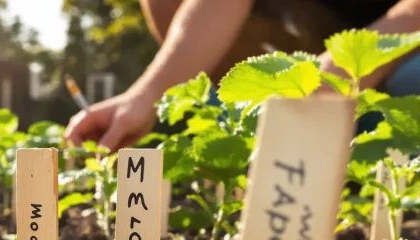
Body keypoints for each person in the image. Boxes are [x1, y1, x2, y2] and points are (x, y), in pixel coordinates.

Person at [64, 0, 420, 152]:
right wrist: (146, 95)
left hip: (404, 41)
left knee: (410, 81)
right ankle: (261, 128)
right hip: (318, 28)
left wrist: (329, 77)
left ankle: (365, 150)